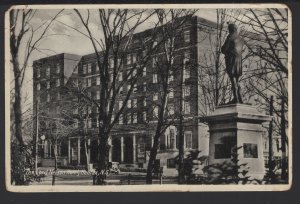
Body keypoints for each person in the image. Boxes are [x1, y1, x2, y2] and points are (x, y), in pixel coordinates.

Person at [221, 23, 244, 104]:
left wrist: (224, 49)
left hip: (231, 60)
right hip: (239, 62)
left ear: (231, 29)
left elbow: (224, 49)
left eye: (229, 29)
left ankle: (236, 99)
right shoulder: (241, 39)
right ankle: (240, 99)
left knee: (233, 80)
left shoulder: (230, 37)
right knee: (237, 81)